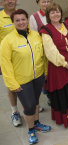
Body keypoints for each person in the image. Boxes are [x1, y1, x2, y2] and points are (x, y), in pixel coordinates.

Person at [0, 9, 51, 144]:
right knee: (28, 106)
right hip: (22, 80)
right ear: (13, 22)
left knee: (35, 101)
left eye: (23, 19)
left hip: (38, 76)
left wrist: (45, 72)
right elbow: (5, 64)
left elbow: (43, 56)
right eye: (17, 20)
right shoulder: (7, 41)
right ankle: (31, 129)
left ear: (27, 20)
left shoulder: (35, 35)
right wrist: (12, 84)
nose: (21, 22)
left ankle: (37, 122)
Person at [40, 3, 68, 128]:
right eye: (52, 12)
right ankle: (66, 117)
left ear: (61, 13)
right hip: (58, 66)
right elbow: (50, 51)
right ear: (48, 15)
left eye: (57, 11)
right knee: (63, 91)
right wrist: (65, 64)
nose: (55, 14)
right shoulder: (46, 30)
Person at [0, 0, 22, 127]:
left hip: (23, 57)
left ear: (15, 0)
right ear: (2, 3)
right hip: (8, 60)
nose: (10, 1)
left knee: (26, 83)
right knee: (11, 86)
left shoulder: (20, 14)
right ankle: (14, 111)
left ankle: (29, 105)